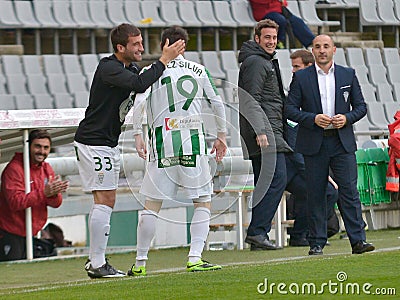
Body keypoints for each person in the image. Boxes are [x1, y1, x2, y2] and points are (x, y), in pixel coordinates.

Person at [74, 23, 185, 278]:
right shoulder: (108, 68)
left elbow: (142, 81)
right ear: (120, 47)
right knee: (105, 199)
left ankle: (97, 261)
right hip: (93, 142)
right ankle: (97, 263)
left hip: (107, 142)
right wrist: (164, 60)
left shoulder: (130, 67)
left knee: (106, 200)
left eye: (141, 43)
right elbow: (139, 83)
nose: (141, 48)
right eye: (135, 44)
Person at [128, 26, 227, 276]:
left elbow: (138, 104)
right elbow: (216, 103)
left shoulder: (150, 72)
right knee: (202, 201)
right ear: (185, 46)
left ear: (164, 44)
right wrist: (222, 135)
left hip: (163, 144)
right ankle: (195, 257)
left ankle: (140, 263)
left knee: (152, 204)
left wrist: (137, 135)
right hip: (192, 142)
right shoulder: (199, 70)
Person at [285, 34, 375, 255]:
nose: (322, 50)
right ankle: (316, 243)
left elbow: (361, 107)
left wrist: (347, 118)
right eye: (317, 47)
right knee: (316, 193)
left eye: (326, 46)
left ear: (334, 49)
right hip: (314, 143)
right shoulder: (302, 78)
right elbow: (290, 110)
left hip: (341, 142)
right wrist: (313, 118)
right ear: (313, 51)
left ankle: (358, 241)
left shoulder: (348, 74)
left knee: (349, 192)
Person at [238, 19, 292, 251]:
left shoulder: (262, 61)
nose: (271, 42)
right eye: (267, 38)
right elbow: (251, 98)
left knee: (268, 181)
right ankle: (258, 231)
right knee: (277, 178)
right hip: (265, 132)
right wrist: (260, 130)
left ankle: (257, 235)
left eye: (274, 38)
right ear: (257, 39)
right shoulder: (257, 62)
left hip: (270, 130)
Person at [285, 49, 339, 246]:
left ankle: (311, 232)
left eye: (297, 67)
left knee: (331, 189)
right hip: (291, 166)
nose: (293, 71)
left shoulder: (317, 96)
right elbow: (293, 145)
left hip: (307, 162)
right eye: (293, 67)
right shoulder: (294, 95)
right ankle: (303, 234)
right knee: (322, 190)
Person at [0, 129, 69, 261]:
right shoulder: (14, 169)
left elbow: (56, 204)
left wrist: (54, 194)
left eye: (46, 148)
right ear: (28, 146)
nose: (42, 151)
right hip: (10, 233)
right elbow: (15, 202)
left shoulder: (46, 168)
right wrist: (44, 193)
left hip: (33, 233)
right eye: (37, 146)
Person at [249, 0, 315, 49]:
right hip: (263, 12)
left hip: (279, 11)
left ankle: (312, 43)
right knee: (280, 20)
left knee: (297, 21)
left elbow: (284, 3)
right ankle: (279, 42)